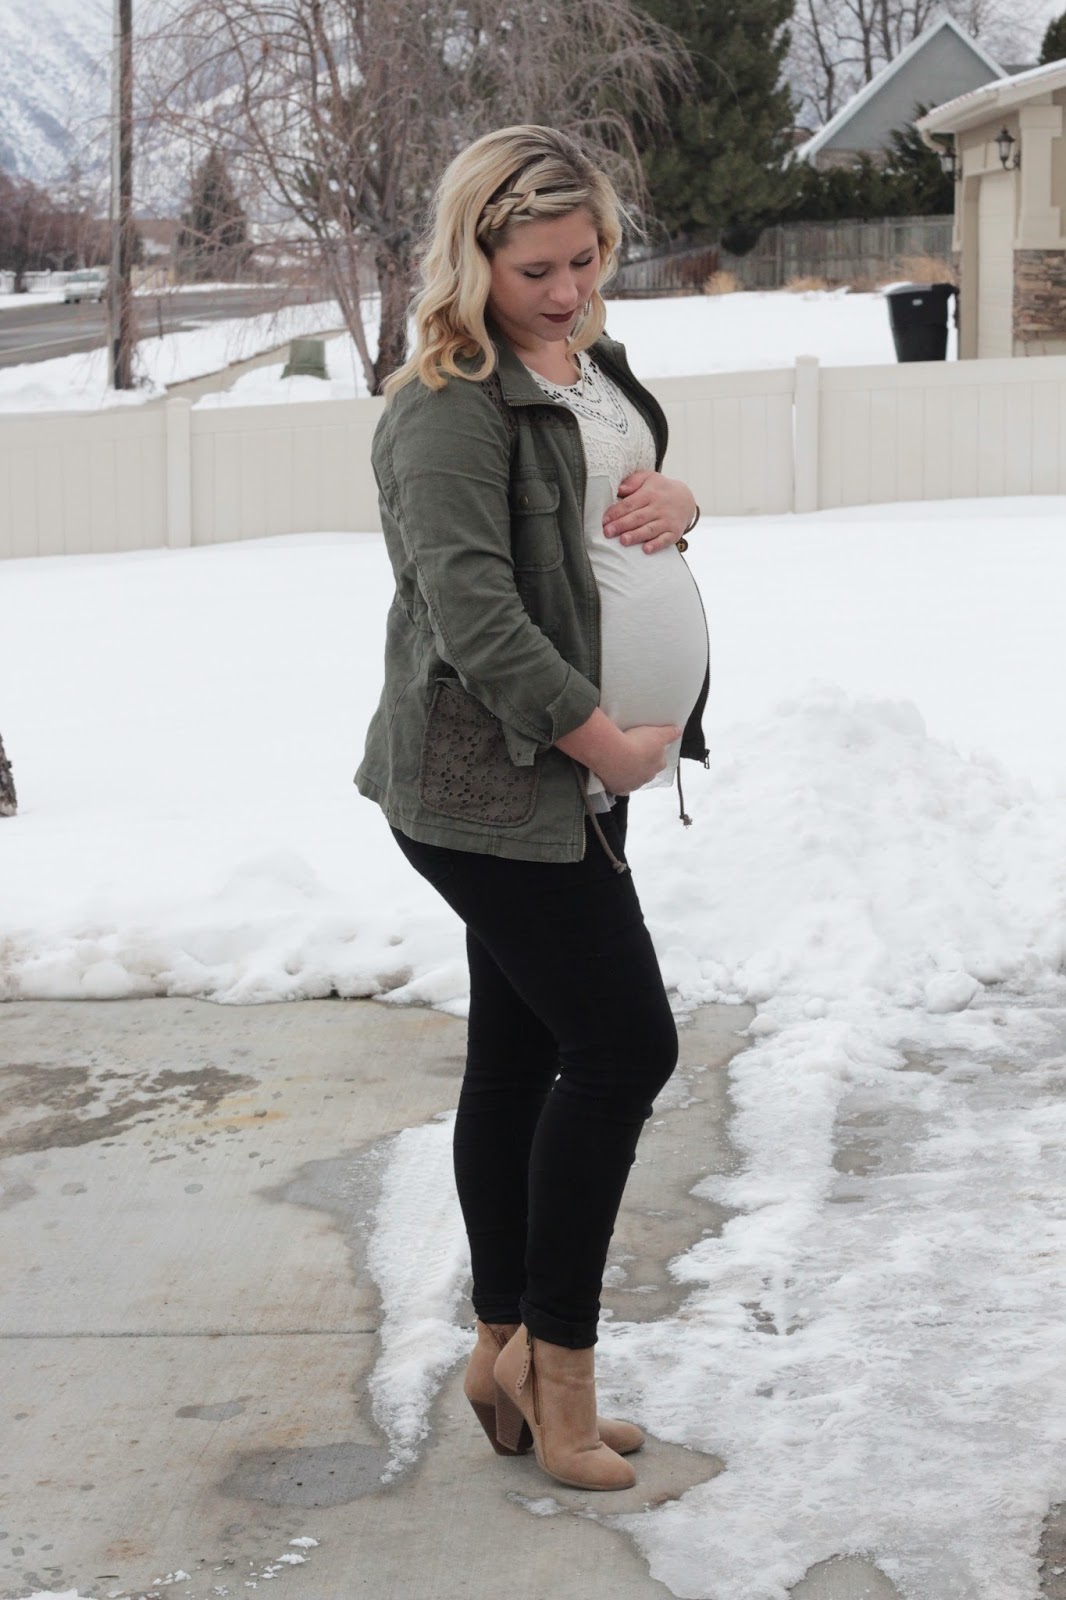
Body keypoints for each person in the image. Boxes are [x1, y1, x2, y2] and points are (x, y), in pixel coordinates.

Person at [355, 124, 708, 1493]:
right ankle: (559, 1374)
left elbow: (614, 516)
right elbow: (475, 615)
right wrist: (604, 747)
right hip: (488, 785)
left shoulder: (590, 364)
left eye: (586, 259)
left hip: (574, 775)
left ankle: (501, 1350)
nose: (567, 291)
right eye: (535, 269)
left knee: (516, 1058)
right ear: (472, 259)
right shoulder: (445, 406)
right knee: (622, 1049)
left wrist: (684, 501)